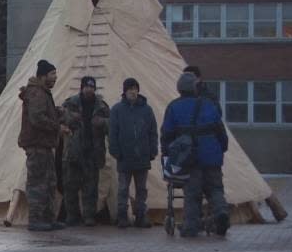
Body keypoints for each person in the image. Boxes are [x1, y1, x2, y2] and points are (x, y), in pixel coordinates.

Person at [161, 73, 230, 237]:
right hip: (213, 156)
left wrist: (168, 153)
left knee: (192, 194)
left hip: (190, 159)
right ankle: (221, 213)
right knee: (215, 189)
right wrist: (221, 149)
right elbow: (221, 132)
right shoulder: (209, 104)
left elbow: (167, 134)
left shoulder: (174, 107)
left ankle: (191, 227)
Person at [18, 59, 69, 231]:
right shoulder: (37, 94)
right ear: (42, 76)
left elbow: (42, 115)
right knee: (38, 183)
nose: (55, 77)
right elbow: (37, 118)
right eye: (52, 74)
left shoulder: (42, 93)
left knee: (49, 183)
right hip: (37, 146)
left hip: (44, 146)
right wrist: (57, 127)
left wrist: (56, 113)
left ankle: (48, 218)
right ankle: (36, 219)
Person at [109, 78, 158, 229]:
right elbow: (113, 133)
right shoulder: (117, 110)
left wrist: (152, 150)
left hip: (142, 156)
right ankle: (122, 216)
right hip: (125, 156)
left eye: (135, 88)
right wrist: (116, 152)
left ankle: (140, 216)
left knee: (141, 189)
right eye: (130, 89)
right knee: (123, 188)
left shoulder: (147, 110)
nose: (133, 91)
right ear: (125, 91)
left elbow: (152, 132)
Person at [61, 76, 109, 227]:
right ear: (81, 88)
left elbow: (111, 124)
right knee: (71, 186)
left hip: (93, 150)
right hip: (74, 150)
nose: (89, 89)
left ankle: (89, 215)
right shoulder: (71, 103)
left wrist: (102, 122)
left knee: (91, 187)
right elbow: (60, 120)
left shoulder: (101, 106)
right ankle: (72, 215)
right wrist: (72, 119)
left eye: (92, 87)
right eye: (87, 86)